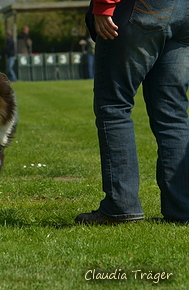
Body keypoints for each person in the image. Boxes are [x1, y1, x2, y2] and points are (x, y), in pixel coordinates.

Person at [75, 0, 189, 224]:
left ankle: (121, 206)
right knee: (173, 113)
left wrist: (103, 6)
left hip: (141, 7)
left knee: (114, 105)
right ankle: (182, 210)